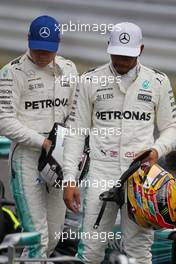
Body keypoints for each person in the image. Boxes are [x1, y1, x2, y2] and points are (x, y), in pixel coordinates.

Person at [63, 22, 176, 264]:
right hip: (101, 170)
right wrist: (69, 179)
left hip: (141, 176)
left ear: (141, 49)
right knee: (91, 249)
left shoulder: (158, 82)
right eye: (117, 54)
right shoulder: (89, 80)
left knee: (139, 251)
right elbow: (75, 132)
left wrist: (157, 149)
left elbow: (171, 128)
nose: (122, 61)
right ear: (108, 48)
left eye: (128, 55)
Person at [0, 15, 77, 261]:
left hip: (60, 158)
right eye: (38, 49)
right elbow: (3, 120)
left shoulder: (69, 69)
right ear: (28, 41)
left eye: (48, 51)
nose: (43, 55)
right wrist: (42, 142)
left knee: (53, 236)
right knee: (37, 238)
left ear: (59, 44)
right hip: (27, 158)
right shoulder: (11, 72)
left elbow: (77, 112)